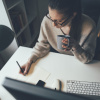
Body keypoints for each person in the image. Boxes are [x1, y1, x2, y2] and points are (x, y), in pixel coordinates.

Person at [20, 0, 97, 75]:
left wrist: (76, 46)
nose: (53, 25)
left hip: (80, 65)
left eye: (59, 21)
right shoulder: (47, 20)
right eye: (51, 17)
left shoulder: (89, 26)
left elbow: (87, 58)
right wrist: (29, 61)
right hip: (58, 60)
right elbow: (42, 45)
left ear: (73, 15)